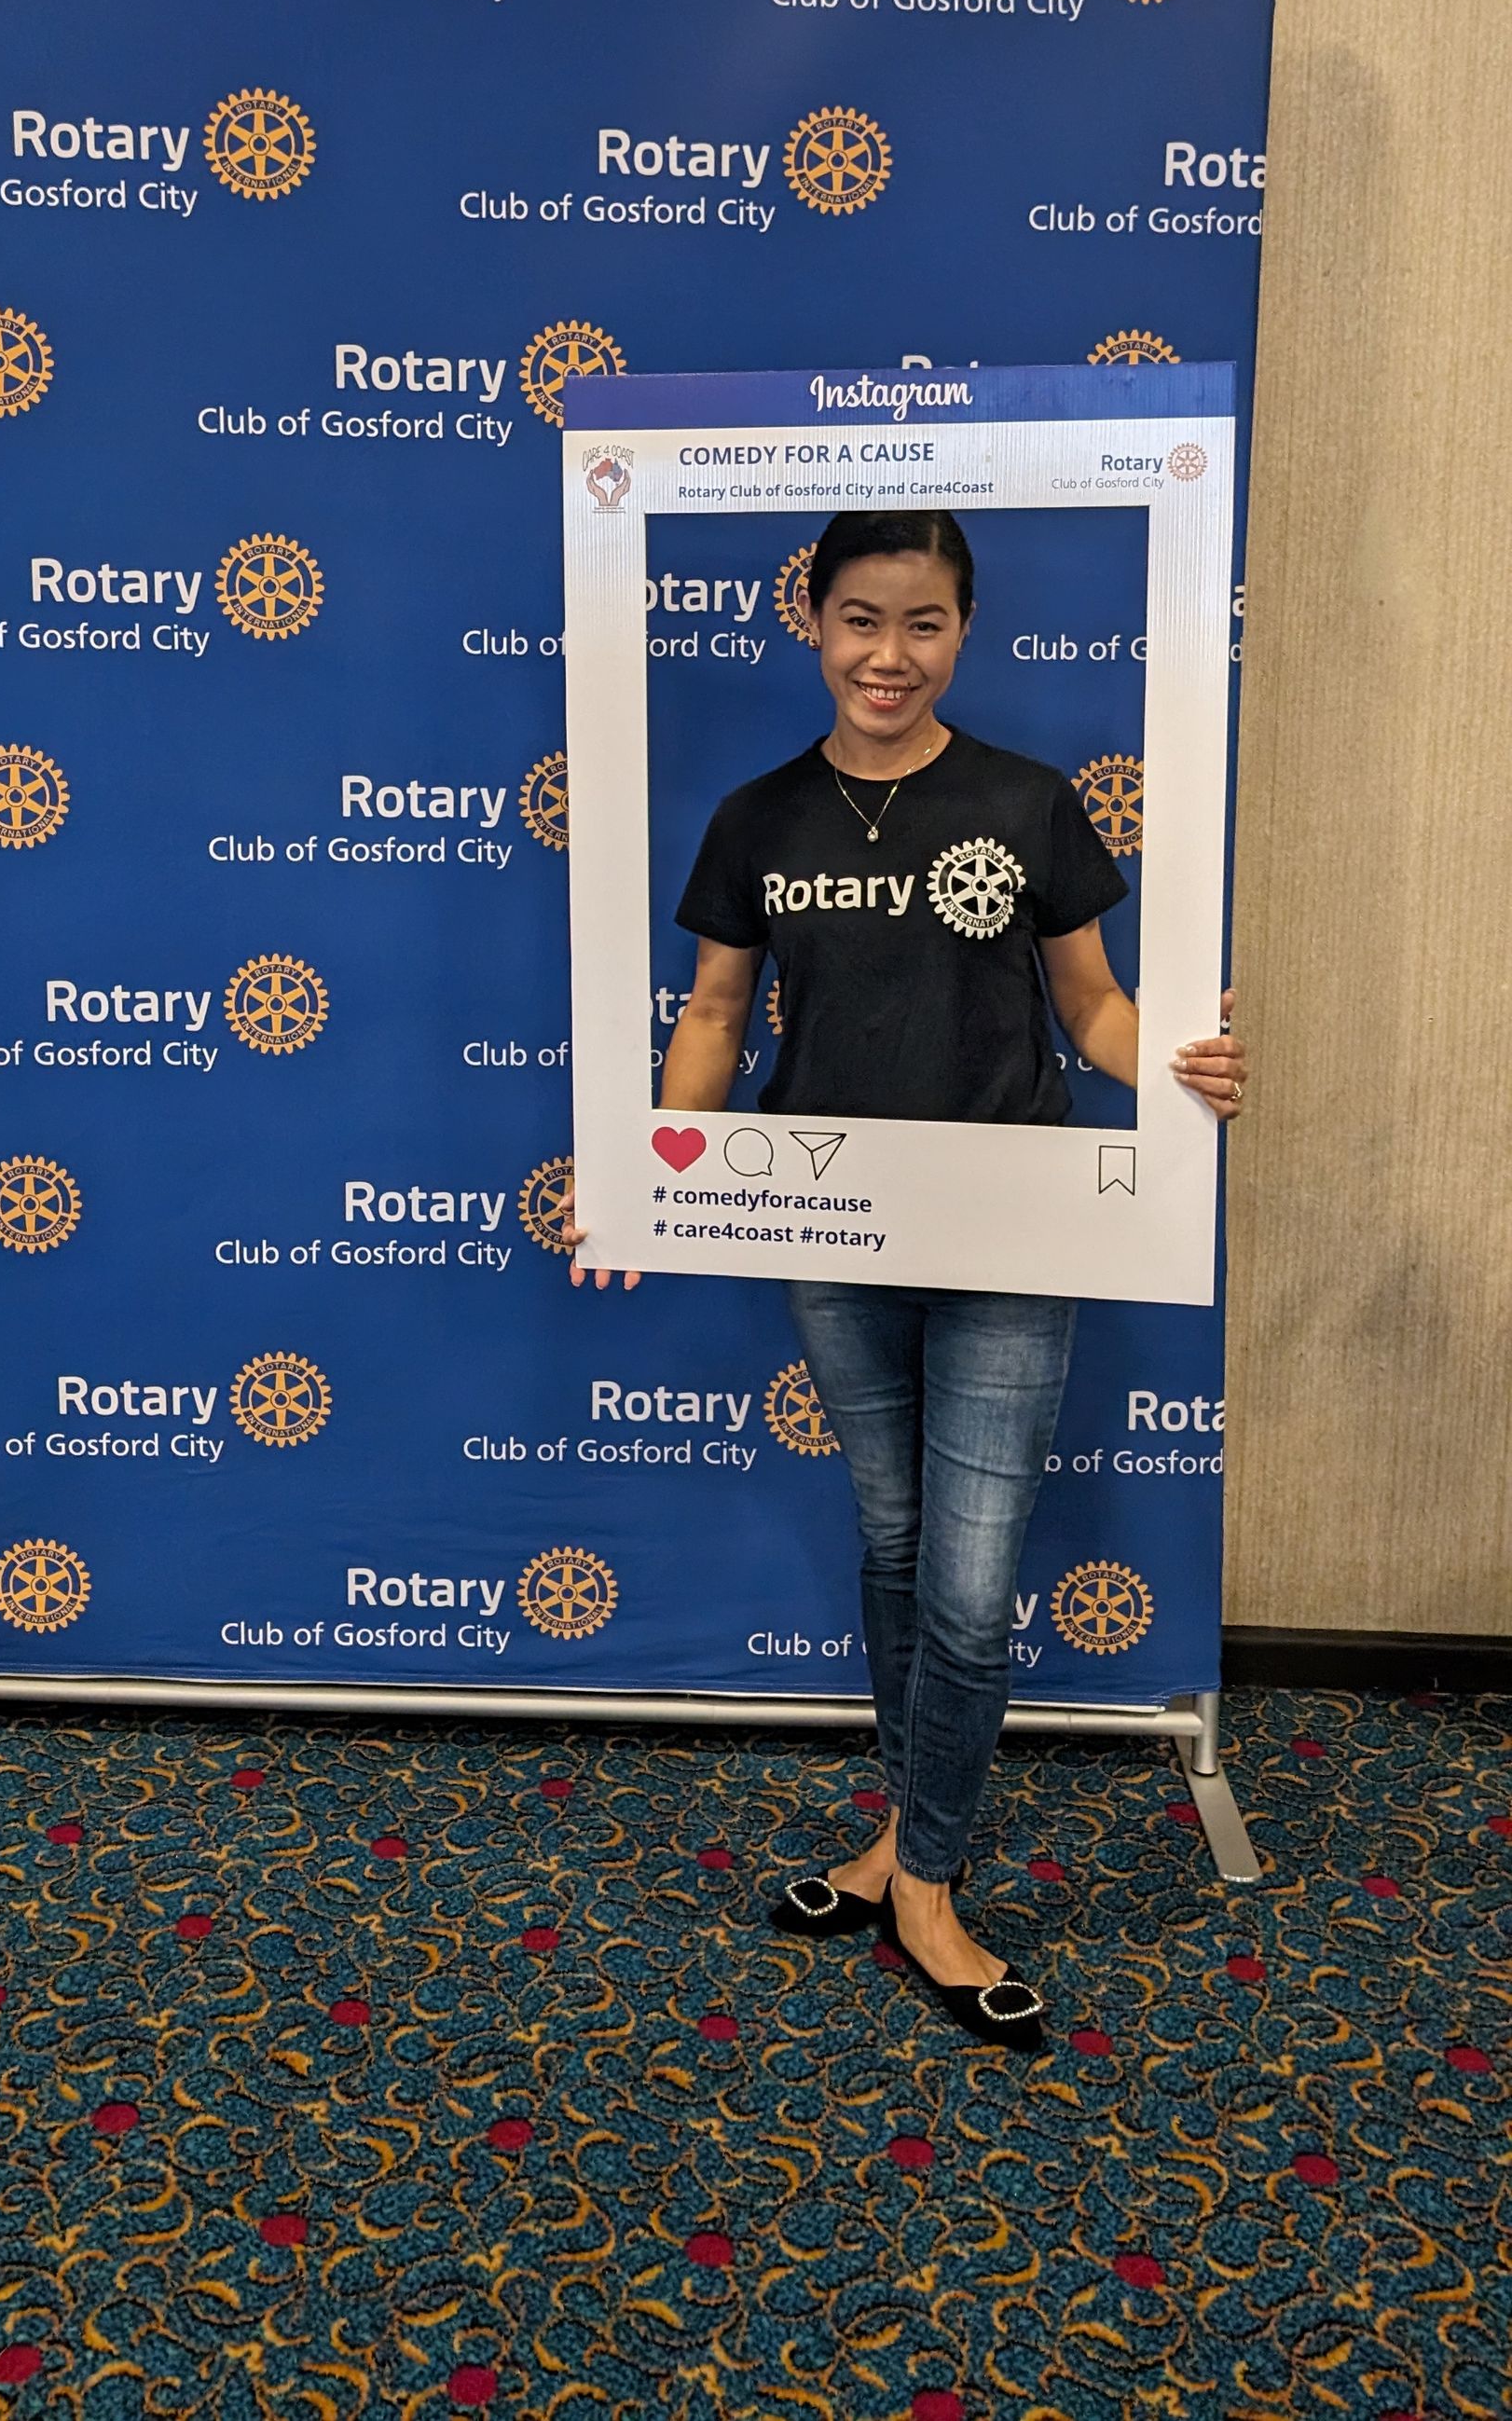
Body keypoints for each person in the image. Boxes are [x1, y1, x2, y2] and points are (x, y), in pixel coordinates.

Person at [570, 508, 1245, 2051]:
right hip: (834, 1225)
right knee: (889, 1536)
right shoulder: (759, 816)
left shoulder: (1026, 800)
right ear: (811, 619)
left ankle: (925, 1878)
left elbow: (1095, 1011)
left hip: (1012, 1221)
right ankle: (901, 1835)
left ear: (965, 628)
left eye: (924, 622)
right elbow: (717, 1017)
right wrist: (636, 1185)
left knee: (967, 1568)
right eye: (861, 618)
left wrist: (1188, 1067)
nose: (890, 653)